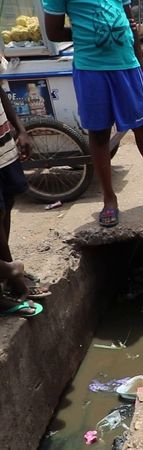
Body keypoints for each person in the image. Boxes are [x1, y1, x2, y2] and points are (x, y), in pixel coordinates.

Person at [44, 0, 143, 228]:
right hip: (91, 69)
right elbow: (54, 32)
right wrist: (92, 31)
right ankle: (109, 198)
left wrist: (142, 63)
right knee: (99, 132)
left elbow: (130, 24)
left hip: (127, 65)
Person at [0, 88, 47, 317]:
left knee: (6, 206)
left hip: (3, 147)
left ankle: (8, 274)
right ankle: (10, 275)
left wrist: (20, 129)